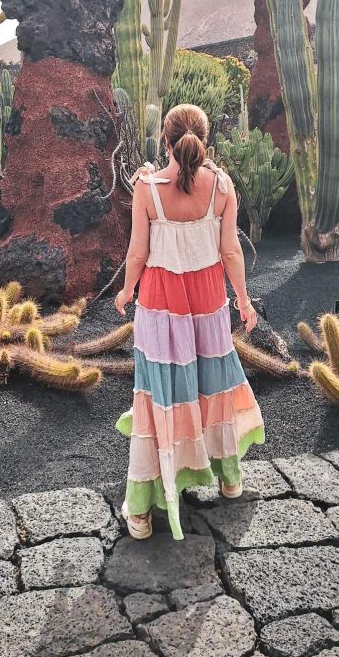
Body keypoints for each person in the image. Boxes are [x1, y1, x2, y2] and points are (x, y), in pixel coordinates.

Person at [113, 103, 266, 540]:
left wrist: (126, 291)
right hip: (209, 305)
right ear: (204, 140)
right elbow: (231, 251)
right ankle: (229, 479)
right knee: (211, 385)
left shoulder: (147, 188)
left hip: (162, 309)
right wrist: (244, 299)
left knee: (161, 395)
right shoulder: (221, 187)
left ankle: (141, 511)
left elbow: (138, 253)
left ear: (165, 141)